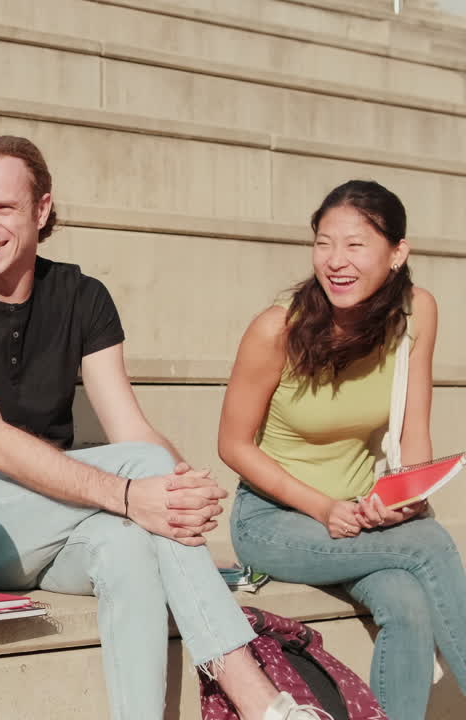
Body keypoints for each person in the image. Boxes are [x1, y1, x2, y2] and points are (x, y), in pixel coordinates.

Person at [0, 135, 326, 720]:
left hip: (48, 526)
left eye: (2, 208)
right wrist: (132, 492)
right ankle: (258, 699)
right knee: (141, 480)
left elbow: (130, 427)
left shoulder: (83, 296)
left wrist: (182, 490)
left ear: (42, 209)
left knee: (130, 547)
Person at [219, 180, 465, 720]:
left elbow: (413, 428)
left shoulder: (416, 312)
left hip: (360, 516)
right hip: (274, 520)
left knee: (407, 602)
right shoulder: (277, 329)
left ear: (397, 253)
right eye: (324, 243)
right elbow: (232, 445)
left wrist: (407, 498)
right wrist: (323, 507)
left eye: (356, 245)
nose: (336, 261)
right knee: (429, 545)